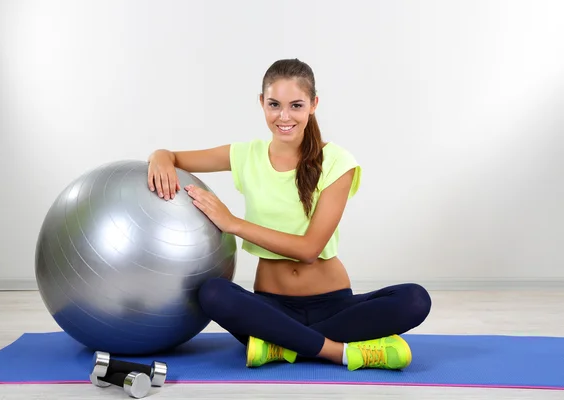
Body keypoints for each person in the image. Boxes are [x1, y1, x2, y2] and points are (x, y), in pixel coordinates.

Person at [147, 58, 431, 371]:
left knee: (415, 299)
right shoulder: (245, 155)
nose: (284, 116)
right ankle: (340, 351)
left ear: (313, 105)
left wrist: (234, 224)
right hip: (271, 306)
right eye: (274, 104)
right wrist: (159, 156)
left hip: (334, 306)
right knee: (214, 293)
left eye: (296, 105)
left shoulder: (337, 162)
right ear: (261, 103)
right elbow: (172, 157)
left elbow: (309, 250)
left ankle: (281, 345)